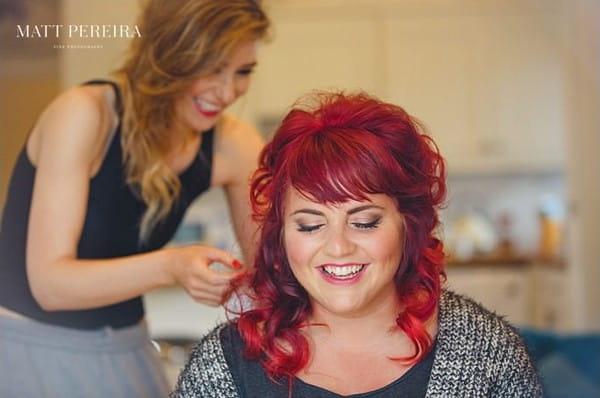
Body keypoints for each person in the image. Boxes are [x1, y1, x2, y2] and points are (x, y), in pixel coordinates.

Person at [172, 91, 544, 397]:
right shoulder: (224, 365)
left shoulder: (487, 354)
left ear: (408, 223)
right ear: (281, 234)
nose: (337, 247)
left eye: (364, 222)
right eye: (310, 225)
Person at [0, 1, 270, 397]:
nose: (228, 91)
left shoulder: (234, 144)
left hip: (128, 348)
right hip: (25, 349)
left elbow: (271, 275)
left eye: (243, 71)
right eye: (211, 68)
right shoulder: (86, 114)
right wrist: (172, 266)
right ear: (167, 56)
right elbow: (50, 285)